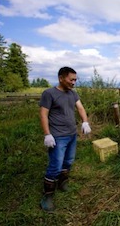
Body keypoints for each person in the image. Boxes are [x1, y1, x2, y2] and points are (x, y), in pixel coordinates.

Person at [39, 66, 91, 212]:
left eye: (75, 79)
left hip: (72, 134)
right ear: (61, 78)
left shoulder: (73, 94)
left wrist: (85, 121)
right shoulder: (49, 93)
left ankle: (63, 183)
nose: (74, 82)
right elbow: (43, 114)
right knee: (55, 165)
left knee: (68, 161)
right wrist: (47, 134)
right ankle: (47, 196)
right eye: (71, 79)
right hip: (57, 136)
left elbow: (80, 108)